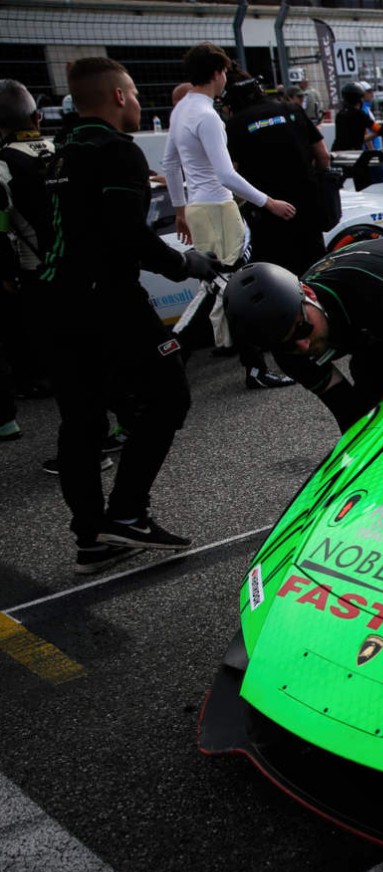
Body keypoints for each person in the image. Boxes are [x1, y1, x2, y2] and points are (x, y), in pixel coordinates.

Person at [40, 57, 221, 572]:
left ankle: (92, 539)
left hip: (54, 299)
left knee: (81, 421)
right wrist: (186, 263)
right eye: (136, 93)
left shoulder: (60, 152)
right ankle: (126, 514)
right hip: (108, 301)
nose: (140, 102)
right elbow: (127, 234)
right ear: (119, 96)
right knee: (169, 395)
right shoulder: (116, 150)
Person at [223, 236, 383, 431]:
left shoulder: (376, 292)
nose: (302, 346)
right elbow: (346, 411)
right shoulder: (289, 351)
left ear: (309, 295)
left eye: (302, 328)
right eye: (288, 344)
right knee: (369, 398)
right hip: (368, 316)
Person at [160, 46, 297, 390]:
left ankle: (182, 355)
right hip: (219, 209)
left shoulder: (181, 110)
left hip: (198, 208)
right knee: (233, 287)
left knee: (219, 285)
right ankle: (176, 352)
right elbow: (225, 174)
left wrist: (180, 209)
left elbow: (170, 164)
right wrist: (269, 202)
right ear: (217, 73)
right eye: (224, 73)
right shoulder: (207, 116)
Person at [225, 69, 330, 278]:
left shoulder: (234, 126)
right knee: (317, 273)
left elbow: (230, 172)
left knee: (278, 279)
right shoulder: (292, 109)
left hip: (268, 216)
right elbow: (323, 155)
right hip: (307, 207)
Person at [0, 79, 56, 417]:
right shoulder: (62, 149)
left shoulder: (3, 165)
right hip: (83, 266)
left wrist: (6, 275)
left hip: (36, 272)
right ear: (37, 117)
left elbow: (0, 228)